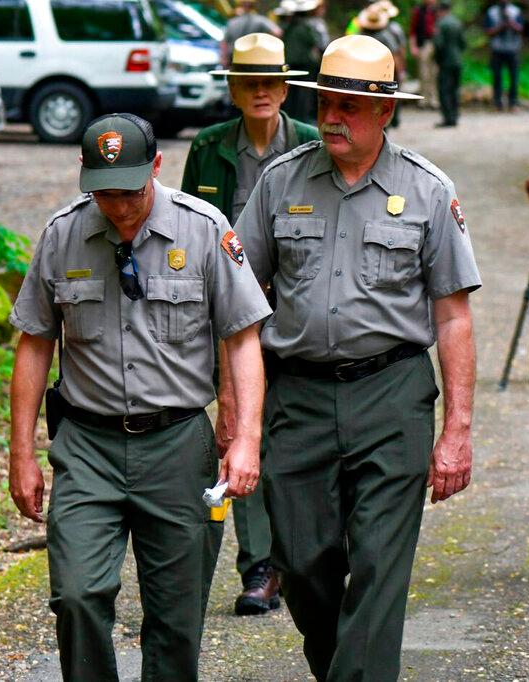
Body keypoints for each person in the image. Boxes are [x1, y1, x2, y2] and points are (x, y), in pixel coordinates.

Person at [232, 35, 481, 680]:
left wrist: (457, 431)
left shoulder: (427, 191)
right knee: (303, 559)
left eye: (348, 105)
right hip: (299, 396)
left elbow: (453, 315)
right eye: (325, 103)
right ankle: (344, 667)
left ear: (384, 112)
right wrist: (237, 411)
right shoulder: (278, 183)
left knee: (378, 562)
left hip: (392, 395)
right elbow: (238, 302)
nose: (332, 117)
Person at [8, 113, 271, 680]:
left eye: (131, 190)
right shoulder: (63, 233)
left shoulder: (203, 229)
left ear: (156, 167)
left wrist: (246, 437)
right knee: (76, 596)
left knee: (176, 619)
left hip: (178, 444)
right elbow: (33, 344)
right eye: (104, 192)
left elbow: (244, 336)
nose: (120, 206)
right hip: (86, 447)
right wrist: (22, 453)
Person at [181, 33, 320, 617]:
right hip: (228, 317)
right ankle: (259, 566)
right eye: (249, 82)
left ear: (285, 87)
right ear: (233, 89)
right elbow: (185, 231)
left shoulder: (311, 143)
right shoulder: (210, 147)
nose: (261, 92)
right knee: (240, 430)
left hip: (296, 314)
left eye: (270, 81)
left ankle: (306, 556)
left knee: (298, 437)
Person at [282, 0, 324, 123]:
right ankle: (302, 119)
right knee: (304, 94)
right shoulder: (307, 26)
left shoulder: (287, 26)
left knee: (290, 93)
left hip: (290, 63)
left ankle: (289, 118)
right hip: (305, 65)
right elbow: (314, 41)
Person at [484, 0, 524, 110]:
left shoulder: (516, 11)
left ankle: (513, 103)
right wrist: (501, 26)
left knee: (514, 77)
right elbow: (487, 31)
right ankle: (497, 103)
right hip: (497, 49)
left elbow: (521, 29)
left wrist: (510, 22)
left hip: (513, 49)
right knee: (497, 77)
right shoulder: (491, 12)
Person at [433, 0, 467, 127]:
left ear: (440, 10)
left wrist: (437, 60)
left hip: (446, 62)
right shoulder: (457, 23)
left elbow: (438, 45)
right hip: (457, 61)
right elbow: (463, 43)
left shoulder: (440, 24)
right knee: (455, 89)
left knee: (444, 90)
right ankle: (455, 116)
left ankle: (448, 118)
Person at [222, 0, 283, 68]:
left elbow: (224, 42)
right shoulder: (260, 20)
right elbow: (277, 32)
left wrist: (224, 59)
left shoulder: (232, 22)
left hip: (235, 59)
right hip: (254, 60)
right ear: (254, 6)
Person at [410, 0, 441, 108]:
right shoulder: (419, 11)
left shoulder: (438, 10)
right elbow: (413, 30)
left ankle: (434, 100)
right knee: (424, 73)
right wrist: (413, 46)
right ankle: (424, 100)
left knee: (435, 73)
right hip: (423, 44)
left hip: (436, 44)